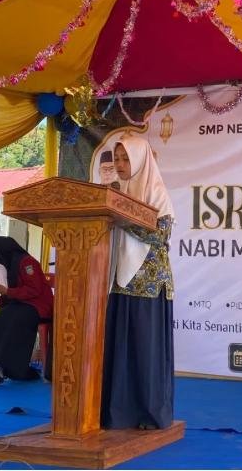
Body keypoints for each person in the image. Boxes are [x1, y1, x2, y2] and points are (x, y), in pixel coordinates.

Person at [101, 135, 175, 430]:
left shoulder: (157, 193)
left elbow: (161, 235)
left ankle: (148, 413)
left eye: (126, 159)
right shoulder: (115, 192)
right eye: (117, 159)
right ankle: (119, 413)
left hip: (148, 284)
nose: (120, 165)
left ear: (141, 160)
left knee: (145, 351)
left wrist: (121, 217)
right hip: (119, 279)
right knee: (121, 350)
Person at [0, 236, 53, 389]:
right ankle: (9, 369)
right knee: (1, 316)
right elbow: (7, 305)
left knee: (15, 318)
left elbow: (34, 289)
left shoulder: (26, 262)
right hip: (23, 307)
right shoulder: (9, 268)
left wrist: (7, 291)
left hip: (40, 307)